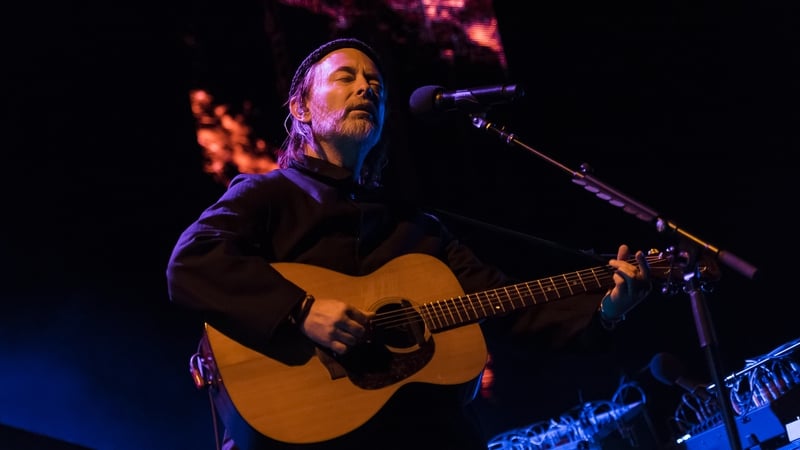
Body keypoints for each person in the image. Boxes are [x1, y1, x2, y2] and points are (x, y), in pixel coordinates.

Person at [166, 37, 653, 450]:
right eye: (346, 78)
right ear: (301, 107)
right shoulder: (268, 194)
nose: (366, 88)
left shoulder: (417, 226)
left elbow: (508, 306)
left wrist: (606, 310)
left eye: (375, 84)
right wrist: (299, 310)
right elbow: (192, 261)